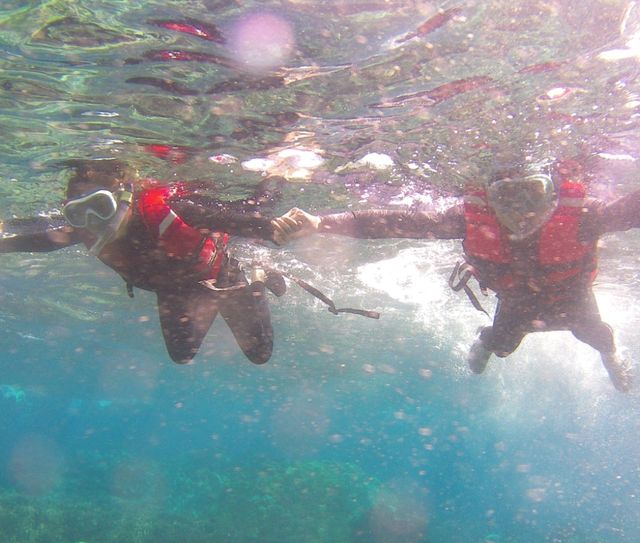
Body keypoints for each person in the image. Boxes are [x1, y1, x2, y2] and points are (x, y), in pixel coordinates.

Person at [271, 161, 639, 392]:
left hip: (571, 296)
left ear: (554, 196)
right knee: (503, 345)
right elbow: (395, 223)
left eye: (533, 195)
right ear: (490, 199)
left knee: (598, 335)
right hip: (517, 300)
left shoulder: (587, 217)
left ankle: (611, 360)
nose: (522, 211)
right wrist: (321, 223)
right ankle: (484, 342)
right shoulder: (466, 219)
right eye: (507, 198)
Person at [0, 159, 302, 365]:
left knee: (259, 353)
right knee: (181, 355)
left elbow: (253, 212)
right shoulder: (86, 231)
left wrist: (276, 178)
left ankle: (258, 273)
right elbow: (39, 240)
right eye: (79, 213)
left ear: (126, 197)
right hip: (173, 290)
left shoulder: (177, 212)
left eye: (101, 207)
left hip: (222, 276)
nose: (92, 223)